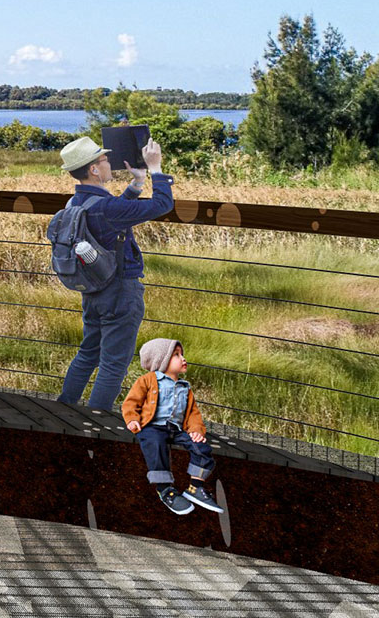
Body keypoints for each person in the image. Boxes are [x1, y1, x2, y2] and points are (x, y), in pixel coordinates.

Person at [55, 134, 174, 411]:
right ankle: (93, 424)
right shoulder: (107, 207)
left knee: (88, 353)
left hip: (93, 290)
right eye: (105, 159)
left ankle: (64, 410)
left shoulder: (75, 204)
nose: (110, 163)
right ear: (94, 169)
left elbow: (113, 216)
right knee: (113, 364)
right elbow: (162, 205)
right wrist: (156, 169)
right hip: (120, 291)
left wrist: (137, 184)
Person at [123, 337, 223, 515]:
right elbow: (131, 402)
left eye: (182, 354)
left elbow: (193, 414)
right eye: (176, 355)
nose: (183, 358)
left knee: (201, 447)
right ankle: (164, 489)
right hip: (152, 426)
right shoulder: (148, 380)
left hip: (176, 430)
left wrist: (196, 431)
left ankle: (195, 487)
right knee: (155, 445)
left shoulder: (185, 387)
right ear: (161, 361)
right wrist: (132, 419)